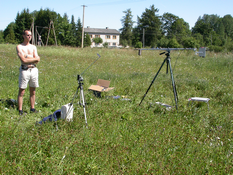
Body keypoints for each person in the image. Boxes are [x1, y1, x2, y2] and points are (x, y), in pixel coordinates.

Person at [16, 29, 40, 115]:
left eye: (30, 35)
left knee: (33, 90)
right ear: (23, 36)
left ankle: (32, 108)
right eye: (27, 35)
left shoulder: (33, 47)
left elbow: (38, 60)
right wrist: (31, 58)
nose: (29, 37)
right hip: (24, 70)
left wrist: (27, 57)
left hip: (33, 70)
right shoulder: (19, 47)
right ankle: (20, 110)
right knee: (22, 91)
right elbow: (23, 60)